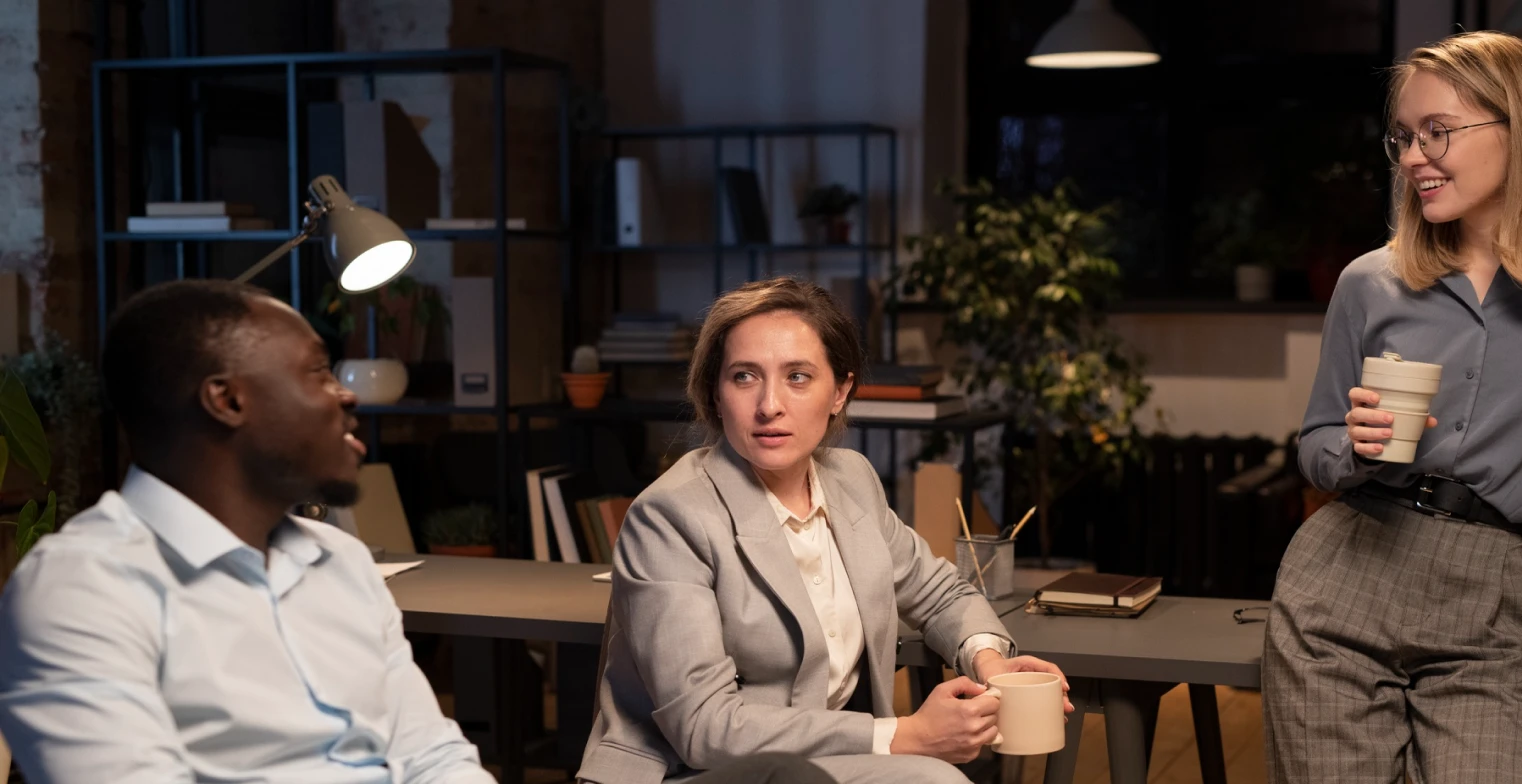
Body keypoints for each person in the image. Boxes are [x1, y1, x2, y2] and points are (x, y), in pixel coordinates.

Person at [1264, 31, 1522, 784]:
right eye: (1403, 136)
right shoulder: (1371, 280)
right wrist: (1353, 451)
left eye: (1439, 131)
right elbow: (1318, 441)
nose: (1412, 156)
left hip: (1502, 601)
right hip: (1346, 573)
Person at [576, 277, 1073, 784]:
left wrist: (988, 662)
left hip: (824, 762)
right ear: (715, 393)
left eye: (798, 376)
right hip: (691, 772)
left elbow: (938, 591)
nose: (769, 404)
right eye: (745, 376)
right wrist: (902, 735)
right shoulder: (669, 515)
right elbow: (704, 727)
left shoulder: (850, 478)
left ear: (839, 391)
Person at [0, 280, 494, 783]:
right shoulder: (83, 589)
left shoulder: (341, 559)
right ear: (228, 400)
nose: (347, 394)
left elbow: (433, 757)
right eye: (319, 372)